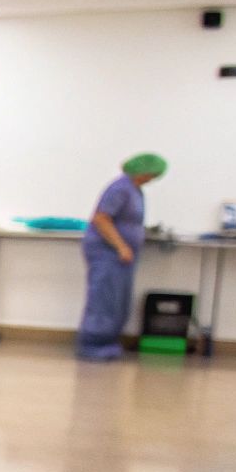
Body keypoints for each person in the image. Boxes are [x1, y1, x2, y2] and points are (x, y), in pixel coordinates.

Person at [77, 153, 167, 360]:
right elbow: (101, 219)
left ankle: (108, 343)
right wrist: (121, 246)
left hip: (121, 255)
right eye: (151, 175)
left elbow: (128, 220)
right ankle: (92, 346)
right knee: (104, 299)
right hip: (106, 252)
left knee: (118, 301)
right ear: (142, 171)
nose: (151, 179)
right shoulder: (120, 188)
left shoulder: (135, 190)